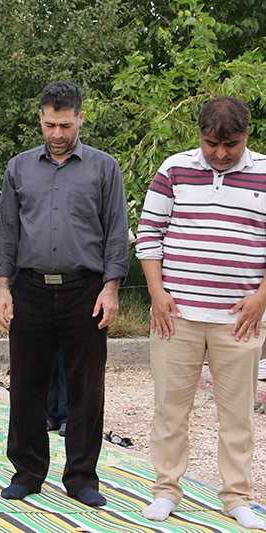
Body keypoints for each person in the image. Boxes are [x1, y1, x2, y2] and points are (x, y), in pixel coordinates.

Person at [0, 81, 128, 507]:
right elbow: (7, 232)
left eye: (65, 125)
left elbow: (115, 236)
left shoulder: (104, 168)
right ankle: (27, 472)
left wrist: (111, 289)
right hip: (29, 289)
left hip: (85, 291)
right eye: (50, 124)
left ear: (81, 119)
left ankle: (83, 478)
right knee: (26, 386)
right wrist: (1, 288)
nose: (56, 134)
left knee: (86, 388)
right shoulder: (18, 168)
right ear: (40, 118)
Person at [136, 96, 266, 529]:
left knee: (238, 415)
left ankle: (236, 497)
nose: (221, 153)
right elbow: (149, 234)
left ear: (247, 134)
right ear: (199, 135)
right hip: (177, 315)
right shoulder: (173, 170)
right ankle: (166, 490)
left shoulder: (265, 173)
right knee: (170, 409)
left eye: (230, 144)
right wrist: (156, 292)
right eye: (212, 143)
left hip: (240, 320)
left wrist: (262, 297)